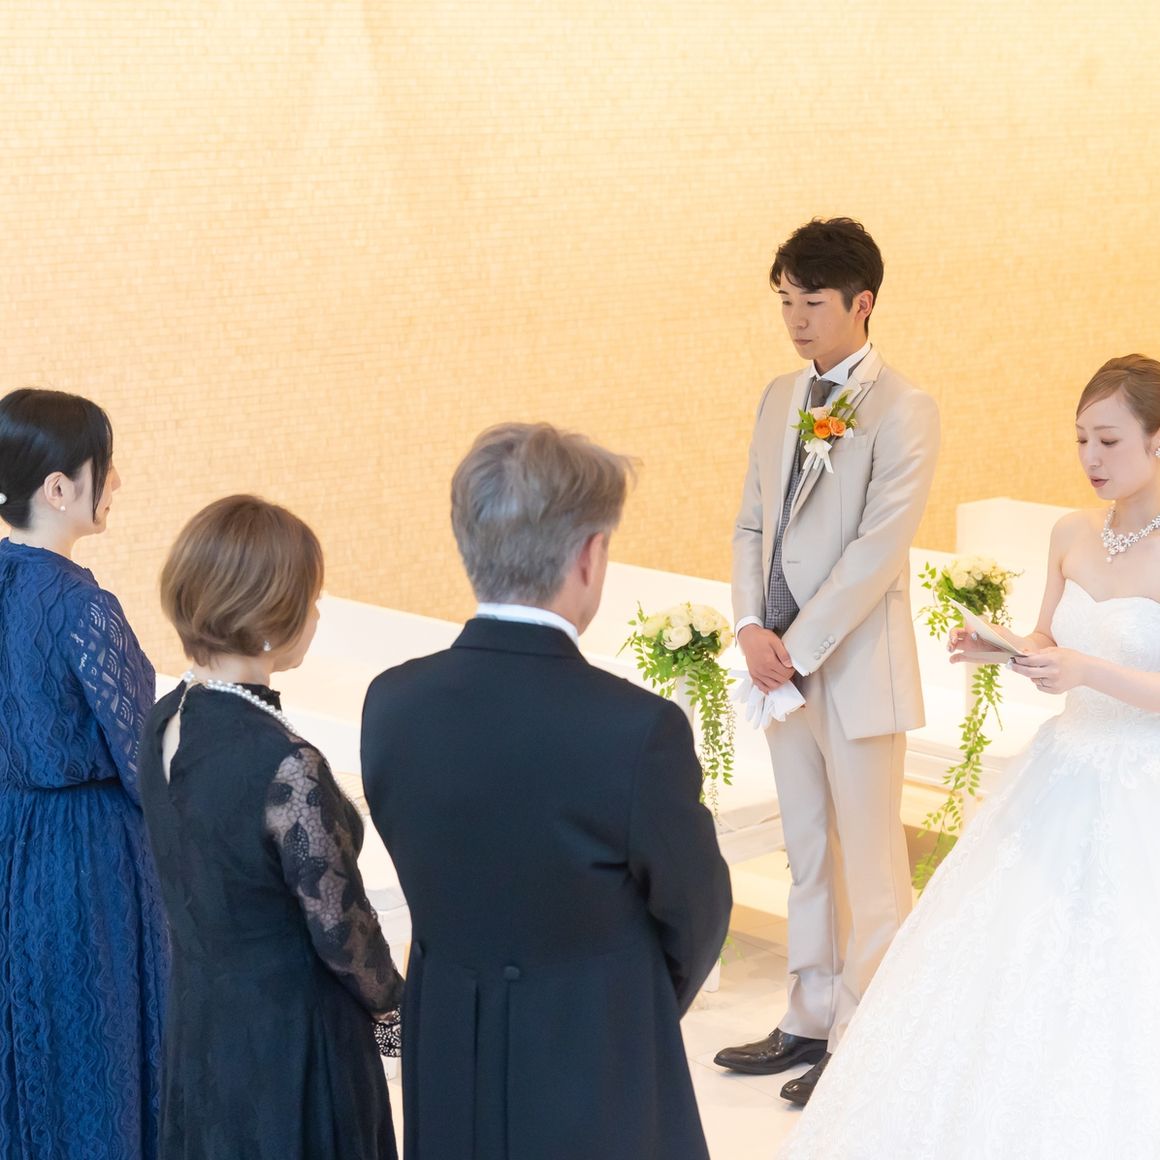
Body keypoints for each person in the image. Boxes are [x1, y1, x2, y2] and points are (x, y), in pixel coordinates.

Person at [780, 356, 1160, 1156]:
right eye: (1080, 439)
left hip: (1139, 782)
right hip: (1064, 770)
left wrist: (1085, 671)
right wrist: (1005, 647)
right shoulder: (1071, 533)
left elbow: (1102, 670)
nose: (1089, 458)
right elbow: (1050, 638)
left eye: (1108, 440)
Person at [361, 422, 731, 1160]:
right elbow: (697, 912)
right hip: (595, 1056)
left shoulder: (393, 703)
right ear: (589, 556)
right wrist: (625, 998)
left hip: (450, 1056)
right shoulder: (635, 729)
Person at [716, 218, 940, 1104]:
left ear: (862, 303)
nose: (796, 319)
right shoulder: (779, 396)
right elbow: (750, 524)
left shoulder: (904, 407)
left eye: (811, 302)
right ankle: (808, 1016)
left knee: (872, 863)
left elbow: (877, 552)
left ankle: (863, 1037)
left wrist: (796, 650)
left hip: (851, 668)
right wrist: (749, 628)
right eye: (785, 302)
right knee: (807, 850)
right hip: (776, 666)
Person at [137, 495, 404, 1160]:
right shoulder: (285, 765)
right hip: (295, 1051)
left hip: (202, 1033)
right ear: (265, 619)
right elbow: (342, 934)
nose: (316, 614)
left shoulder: (164, 719)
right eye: (309, 598)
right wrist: (397, 1010)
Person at [0, 388, 168, 1159]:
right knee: (95, 1055)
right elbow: (144, 759)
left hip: (11, 832)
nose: (117, 481)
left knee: (26, 1042)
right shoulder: (81, 606)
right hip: (85, 853)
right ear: (59, 488)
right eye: (106, 465)